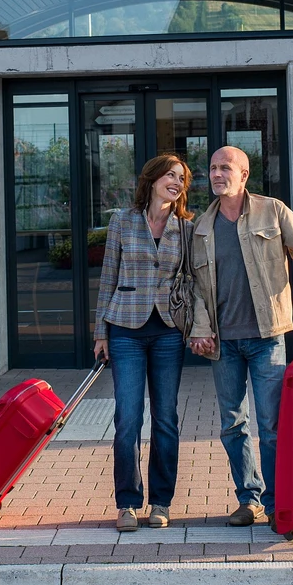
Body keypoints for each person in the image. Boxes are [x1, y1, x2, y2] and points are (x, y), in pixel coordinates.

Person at [187, 146, 293, 527]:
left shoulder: (273, 210)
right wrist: (200, 328)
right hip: (223, 344)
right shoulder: (201, 227)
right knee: (233, 425)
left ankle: (278, 501)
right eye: (213, 168)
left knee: (272, 427)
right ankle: (248, 499)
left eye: (225, 168)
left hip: (267, 337)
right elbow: (195, 287)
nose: (217, 174)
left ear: (244, 174)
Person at [92, 153, 193, 532]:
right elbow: (107, 277)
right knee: (127, 419)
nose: (176, 182)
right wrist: (100, 332)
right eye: (170, 175)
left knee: (165, 418)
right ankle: (128, 504)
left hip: (168, 330)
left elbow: (193, 281)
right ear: (151, 179)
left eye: (181, 178)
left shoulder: (186, 226)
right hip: (125, 329)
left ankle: (161, 501)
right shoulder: (122, 221)